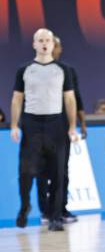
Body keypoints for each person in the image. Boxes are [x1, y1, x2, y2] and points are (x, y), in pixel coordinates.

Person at [10, 28, 78, 231]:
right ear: (34, 44)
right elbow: (17, 99)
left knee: (58, 172)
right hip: (31, 123)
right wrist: (14, 125)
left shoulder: (63, 70)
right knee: (26, 171)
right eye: (40, 40)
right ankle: (24, 205)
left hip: (55, 123)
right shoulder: (25, 70)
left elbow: (69, 98)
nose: (44, 43)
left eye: (47, 40)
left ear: (52, 44)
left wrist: (72, 126)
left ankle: (55, 216)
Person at [37, 36, 86, 225]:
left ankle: (61, 209)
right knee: (42, 170)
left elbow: (76, 98)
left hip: (62, 128)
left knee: (61, 170)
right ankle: (46, 211)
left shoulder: (68, 71)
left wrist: (81, 123)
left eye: (55, 45)